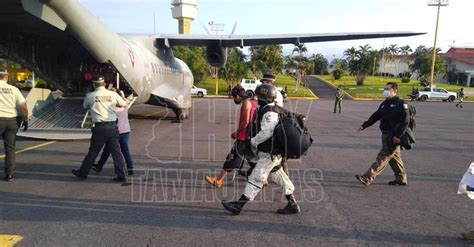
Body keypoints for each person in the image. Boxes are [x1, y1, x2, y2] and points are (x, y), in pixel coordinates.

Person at [222, 84, 300, 215]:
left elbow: (267, 132)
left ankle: (238, 205)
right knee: (278, 175)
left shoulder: (269, 112)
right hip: (273, 152)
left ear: (264, 97)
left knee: (256, 177)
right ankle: (292, 204)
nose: (257, 98)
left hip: (270, 153)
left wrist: (252, 142)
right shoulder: (269, 109)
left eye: (259, 96)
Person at [72, 75, 128, 182]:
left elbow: (85, 106)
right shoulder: (113, 94)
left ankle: (83, 173)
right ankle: (121, 174)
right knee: (116, 152)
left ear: (93, 84)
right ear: (104, 84)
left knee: (93, 151)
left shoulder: (90, 95)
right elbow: (123, 104)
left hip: (99, 127)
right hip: (112, 126)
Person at [355, 82, 410, 186]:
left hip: (394, 135)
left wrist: (398, 136)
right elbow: (376, 115)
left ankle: (367, 177)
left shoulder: (401, 103)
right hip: (385, 134)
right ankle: (401, 178)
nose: (385, 91)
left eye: (388, 89)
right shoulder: (385, 103)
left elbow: (405, 121)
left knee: (383, 156)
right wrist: (365, 125)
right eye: (385, 89)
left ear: (395, 91)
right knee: (394, 157)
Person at [204, 86, 257, 187]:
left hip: (243, 136)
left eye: (234, 98)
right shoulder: (252, 101)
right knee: (252, 158)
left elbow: (246, 122)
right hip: (250, 136)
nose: (234, 100)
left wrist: (237, 132)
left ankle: (218, 180)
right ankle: (263, 178)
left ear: (237, 96)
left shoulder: (246, 104)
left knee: (233, 158)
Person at [92, 87, 134, 176]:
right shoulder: (124, 104)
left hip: (115, 132)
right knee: (122, 149)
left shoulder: (111, 107)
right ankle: (130, 168)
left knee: (108, 150)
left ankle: (99, 166)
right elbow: (123, 99)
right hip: (125, 130)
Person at [0, 67, 28, 181]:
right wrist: (25, 120)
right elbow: (23, 107)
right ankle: (9, 174)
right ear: (7, 77)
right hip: (11, 121)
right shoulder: (14, 89)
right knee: (10, 148)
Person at [260, 73, 289, 175]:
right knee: (278, 154)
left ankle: (285, 178)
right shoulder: (271, 92)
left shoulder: (274, 93)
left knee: (276, 153)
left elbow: (268, 107)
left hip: (274, 124)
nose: (263, 84)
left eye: (264, 82)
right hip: (275, 123)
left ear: (270, 82)